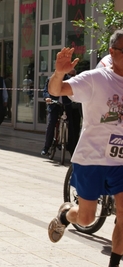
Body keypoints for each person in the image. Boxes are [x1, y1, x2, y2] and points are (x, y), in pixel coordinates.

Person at [47, 29, 123, 267]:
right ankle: (66, 214)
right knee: (86, 218)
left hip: (120, 162)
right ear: (112, 52)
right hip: (92, 158)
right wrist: (59, 73)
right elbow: (56, 90)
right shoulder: (96, 78)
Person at [40, 72, 72, 156]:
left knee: (72, 124)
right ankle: (46, 147)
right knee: (51, 123)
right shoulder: (51, 79)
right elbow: (46, 90)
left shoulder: (70, 79)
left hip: (66, 105)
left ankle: (71, 147)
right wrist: (47, 97)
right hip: (54, 105)